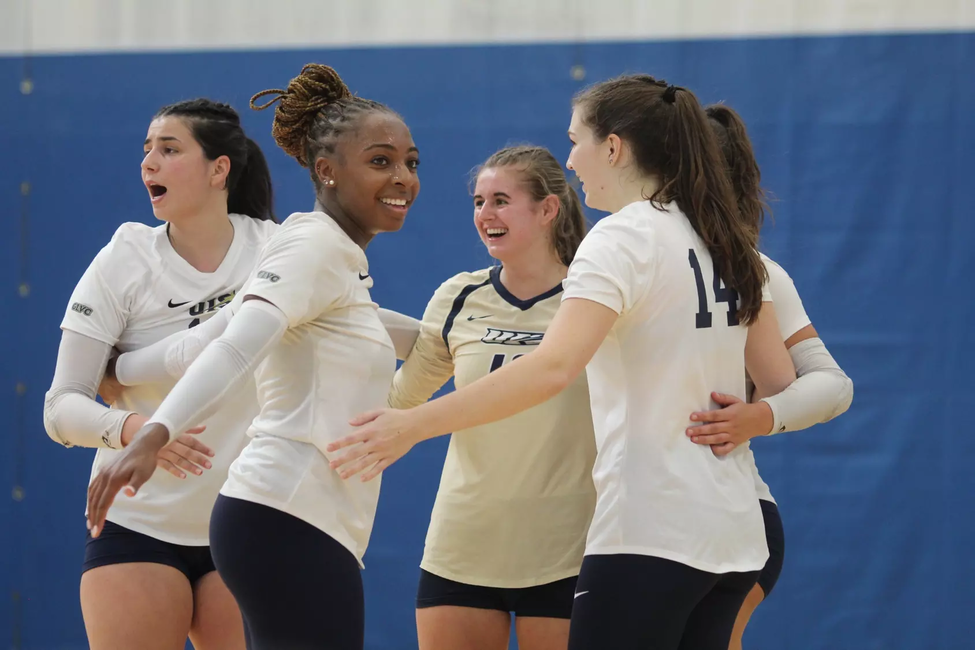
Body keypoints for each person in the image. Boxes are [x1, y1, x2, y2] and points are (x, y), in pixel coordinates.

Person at [327, 75, 798, 650]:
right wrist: (752, 417)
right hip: (731, 532)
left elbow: (553, 367)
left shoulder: (621, 237)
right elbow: (782, 384)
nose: (571, 159)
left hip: (648, 532)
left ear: (615, 148)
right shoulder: (722, 238)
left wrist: (412, 425)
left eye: (576, 141)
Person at [84, 63, 421, 650]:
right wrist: (149, 435)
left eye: (410, 162)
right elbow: (238, 345)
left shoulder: (327, 258)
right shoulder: (311, 245)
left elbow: (207, 335)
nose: (403, 177)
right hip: (282, 516)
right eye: (380, 160)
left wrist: (505, 329)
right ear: (326, 171)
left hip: (300, 521)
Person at [42, 98, 276, 650]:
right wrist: (138, 433)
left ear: (220, 169)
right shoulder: (125, 258)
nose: (149, 163)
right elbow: (61, 408)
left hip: (246, 522)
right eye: (147, 150)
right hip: (137, 524)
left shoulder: (274, 248)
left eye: (169, 150)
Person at [389, 145, 594, 650]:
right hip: (463, 542)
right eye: (479, 201)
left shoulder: (595, 298)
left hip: (568, 547)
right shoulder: (459, 296)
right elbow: (403, 403)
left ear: (548, 210)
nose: (485, 214)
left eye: (501, 200)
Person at [680, 104, 854, 650]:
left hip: (734, 514)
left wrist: (760, 416)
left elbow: (830, 383)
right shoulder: (620, 259)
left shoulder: (753, 269)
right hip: (640, 517)